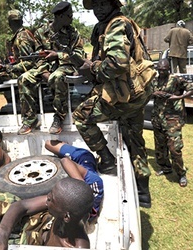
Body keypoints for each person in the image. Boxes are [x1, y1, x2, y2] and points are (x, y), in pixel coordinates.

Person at [73, 0, 156, 208]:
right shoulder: (114, 24)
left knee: (81, 117)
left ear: (113, 4)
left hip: (125, 95)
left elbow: (116, 64)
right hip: (137, 95)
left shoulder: (116, 25)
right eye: (96, 5)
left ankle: (107, 161)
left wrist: (91, 69)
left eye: (103, 3)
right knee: (135, 140)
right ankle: (143, 194)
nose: (99, 9)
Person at [17, 2, 85, 135]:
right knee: (24, 78)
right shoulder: (41, 32)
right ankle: (30, 119)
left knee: (57, 77)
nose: (71, 18)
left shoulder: (73, 33)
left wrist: (57, 55)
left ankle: (59, 117)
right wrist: (43, 71)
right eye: (69, 16)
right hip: (45, 66)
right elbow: (38, 56)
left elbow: (78, 55)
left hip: (66, 65)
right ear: (59, 16)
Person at [0, 177, 94, 249]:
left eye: (51, 199)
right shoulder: (65, 207)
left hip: (33, 243)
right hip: (41, 223)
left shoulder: (77, 247)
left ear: (66, 216)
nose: (47, 197)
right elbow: (22, 206)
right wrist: (2, 232)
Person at [151, 59, 193, 187]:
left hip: (172, 119)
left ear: (169, 68)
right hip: (158, 118)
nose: (161, 71)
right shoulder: (155, 80)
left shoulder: (175, 79)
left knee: (175, 149)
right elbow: (149, 92)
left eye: (164, 69)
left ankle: (181, 174)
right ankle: (165, 167)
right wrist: (155, 93)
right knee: (160, 147)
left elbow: (191, 88)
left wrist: (178, 97)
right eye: (159, 69)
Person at [45, 140, 103, 222]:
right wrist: (81, 186)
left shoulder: (79, 211)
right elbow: (65, 161)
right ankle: (64, 145)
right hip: (84, 159)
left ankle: (64, 146)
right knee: (48, 144)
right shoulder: (94, 183)